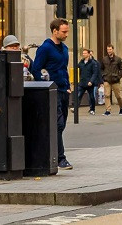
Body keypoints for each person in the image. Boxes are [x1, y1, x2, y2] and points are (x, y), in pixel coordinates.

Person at [31, 19, 72, 170]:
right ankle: (61, 158)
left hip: (64, 90)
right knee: (58, 124)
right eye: (64, 31)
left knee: (61, 125)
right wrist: (44, 85)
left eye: (67, 31)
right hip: (52, 90)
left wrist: (68, 87)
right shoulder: (45, 48)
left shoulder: (65, 48)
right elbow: (36, 69)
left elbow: (64, 69)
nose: (66, 34)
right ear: (55, 31)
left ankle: (52, 153)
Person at [74, 49, 102, 115]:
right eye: (83, 53)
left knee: (91, 96)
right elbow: (77, 71)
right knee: (78, 95)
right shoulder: (81, 62)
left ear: (89, 54)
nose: (84, 54)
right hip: (82, 82)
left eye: (85, 53)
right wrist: (75, 80)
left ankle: (92, 109)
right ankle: (76, 107)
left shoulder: (93, 63)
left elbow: (95, 73)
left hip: (89, 83)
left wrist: (91, 81)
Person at [101, 44, 122, 116]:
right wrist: (103, 75)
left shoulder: (118, 59)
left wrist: (118, 77)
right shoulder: (104, 59)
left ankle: (121, 108)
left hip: (115, 80)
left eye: (110, 49)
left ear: (113, 50)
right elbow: (101, 68)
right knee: (107, 95)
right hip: (107, 79)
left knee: (118, 96)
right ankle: (108, 110)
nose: (109, 51)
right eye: (108, 50)